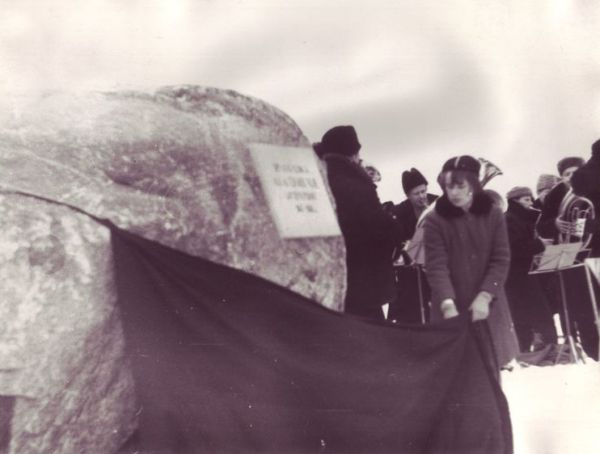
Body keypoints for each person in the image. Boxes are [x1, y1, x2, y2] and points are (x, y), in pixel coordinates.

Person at [424, 155, 519, 371]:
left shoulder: (494, 214)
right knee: (456, 373)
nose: (454, 192)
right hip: (451, 308)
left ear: (474, 185)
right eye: (449, 186)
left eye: (460, 186)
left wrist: (485, 296)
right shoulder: (434, 220)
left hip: (489, 306)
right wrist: (447, 304)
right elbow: (436, 266)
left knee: (491, 370)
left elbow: (500, 259)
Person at [314, 125, 396, 320]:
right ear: (352, 153)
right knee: (373, 332)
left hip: (333, 282)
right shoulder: (358, 184)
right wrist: (395, 227)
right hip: (364, 283)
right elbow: (380, 230)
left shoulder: (318, 180)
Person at [536, 155, 597, 360]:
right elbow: (541, 226)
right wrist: (554, 224)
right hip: (570, 257)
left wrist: (585, 227)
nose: (571, 177)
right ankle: (592, 351)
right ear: (561, 177)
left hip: (595, 253)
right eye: (566, 174)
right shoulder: (555, 195)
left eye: (575, 173)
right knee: (580, 307)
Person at [504, 186, 557, 351]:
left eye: (530, 199)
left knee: (530, 315)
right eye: (526, 199)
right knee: (533, 314)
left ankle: (539, 348)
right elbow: (515, 248)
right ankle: (543, 348)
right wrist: (540, 244)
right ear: (515, 201)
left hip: (525, 273)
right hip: (518, 276)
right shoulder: (509, 219)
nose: (530, 203)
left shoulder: (522, 218)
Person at [388, 168, 437, 323]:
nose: (422, 196)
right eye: (416, 193)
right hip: (411, 272)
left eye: (424, 191)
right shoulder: (399, 211)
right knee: (411, 312)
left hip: (435, 266)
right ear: (408, 195)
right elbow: (398, 242)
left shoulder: (437, 203)